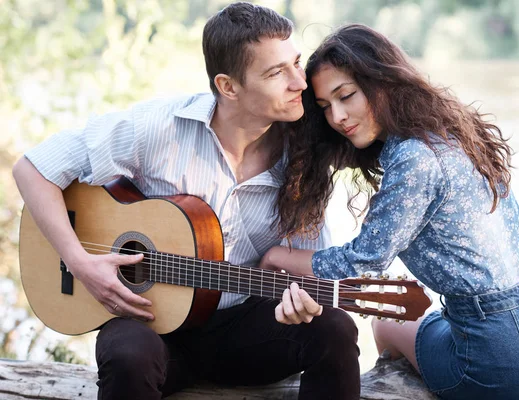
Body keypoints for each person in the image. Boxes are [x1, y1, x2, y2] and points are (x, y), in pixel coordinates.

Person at [12, 3, 360, 400]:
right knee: (129, 354)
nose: (300, 82)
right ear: (228, 87)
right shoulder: (159, 127)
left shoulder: (305, 158)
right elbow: (34, 169)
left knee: (335, 327)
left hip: (243, 334)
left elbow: (314, 265)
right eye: (276, 72)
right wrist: (81, 263)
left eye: (296, 63)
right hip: (150, 324)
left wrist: (300, 302)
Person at [259, 24, 519, 399]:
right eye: (324, 107)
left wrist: (277, 256)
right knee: (421, 317)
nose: (337, 117)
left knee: (385, 326)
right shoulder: (446, 126)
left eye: (346, 96)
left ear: (382, 80)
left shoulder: (414, 159)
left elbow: (363, 260)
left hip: (510, 360)